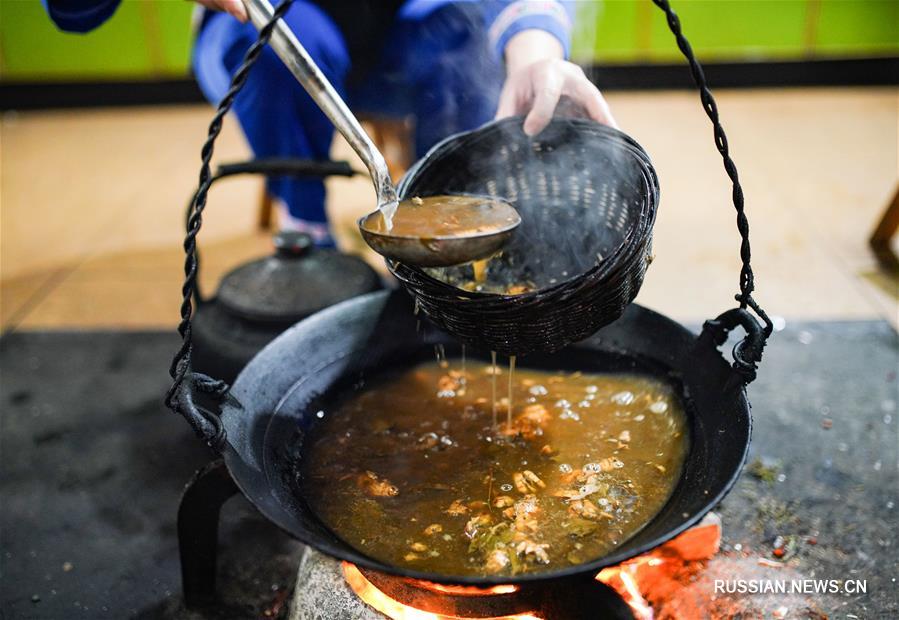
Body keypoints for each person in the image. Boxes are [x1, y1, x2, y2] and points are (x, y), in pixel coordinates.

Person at [44, 0, 616, 246]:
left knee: (460, 26)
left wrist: (536, 51)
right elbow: (70, 12)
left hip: (400, 33)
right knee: (275, 52)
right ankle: (307, 231)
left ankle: (449, 224)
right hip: (272, 29)